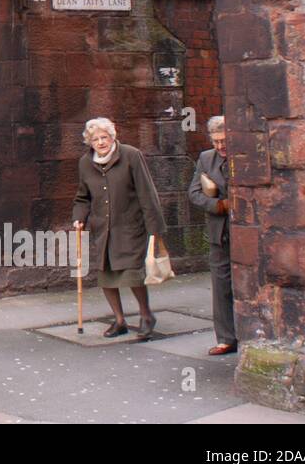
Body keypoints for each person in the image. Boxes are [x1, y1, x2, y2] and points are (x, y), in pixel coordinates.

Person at [73, 117, 168, 340]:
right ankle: (119, 320)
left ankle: (146, 316)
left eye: (104, 137)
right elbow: (82, 196)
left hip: (130, 226)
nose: (100, 142)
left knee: (132, 274)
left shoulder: (131, 155)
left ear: (112, 137)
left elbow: (146, 192)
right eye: (95, 139)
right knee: (106, 276)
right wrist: (79, 217)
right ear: (89, 142)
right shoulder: (85, 163)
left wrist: (155, 228)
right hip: (103, 228)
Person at [188, 115, 236, 355]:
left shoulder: (245, 156)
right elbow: (194, 193)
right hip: (220, 231)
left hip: (244, 232)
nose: (220, 146)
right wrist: (218, 205)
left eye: (224, 140)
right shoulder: (207, 158)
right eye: (216, 141)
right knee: (220, 284)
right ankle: (226, 338)